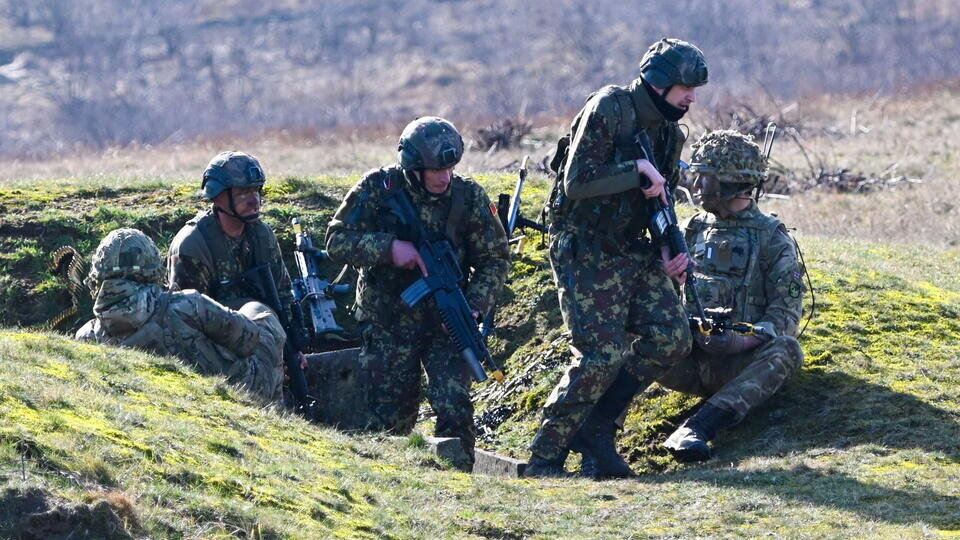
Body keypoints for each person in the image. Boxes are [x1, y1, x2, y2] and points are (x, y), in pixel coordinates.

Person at [525, 38, 708, 478]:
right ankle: (545, 457)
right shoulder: (610, 107)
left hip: (633, 246)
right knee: (601, 352)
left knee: (672, 338)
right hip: (585, 245)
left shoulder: (669, 131)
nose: (691, 98)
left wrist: (670, 244)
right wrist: (634, 171)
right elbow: (577, 182)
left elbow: (658, 198)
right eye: (685, 87)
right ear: (659, 82)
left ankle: (598, 428)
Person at [589, 129, 806, 465]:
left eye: (708, 179)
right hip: (686, 356)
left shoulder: (772, 239)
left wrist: (741, 340)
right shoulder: (690, 228)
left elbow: (786, 316)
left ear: (735, 183)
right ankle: (599, 431)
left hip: (738, 366)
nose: (698, 187)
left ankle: (699, 428)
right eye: (698, 176)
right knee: (632, 328)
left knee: (787, 351)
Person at [325, 117, 510, 466]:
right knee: (389, 417)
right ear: (413, 167)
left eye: (450, 168)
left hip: (446, 323)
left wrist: (474, 305)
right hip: (389, 323)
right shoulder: (379, 188)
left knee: (455, 406)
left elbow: (495, 258)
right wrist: (390, 249)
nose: (444, 177)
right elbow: (336, 240)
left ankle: (460, 489)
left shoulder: (468, 196)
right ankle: (393, 489)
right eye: (434, 170)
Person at [76, 228, 285, 402]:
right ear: (152, 268)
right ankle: (280, 409)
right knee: (258, 312)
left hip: (157, 405)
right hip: (236, 394)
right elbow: (248, 339)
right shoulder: (187, 304)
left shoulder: (87, 336)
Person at [166, 151, 306, 379]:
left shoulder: (262, 235)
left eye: (256, 191)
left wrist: (292, 349)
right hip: (215, 353)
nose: (254, 200)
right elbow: (186, 321)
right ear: (218, 196)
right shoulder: (193, 244)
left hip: (263, 340)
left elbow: (283, 296)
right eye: (243, 193)